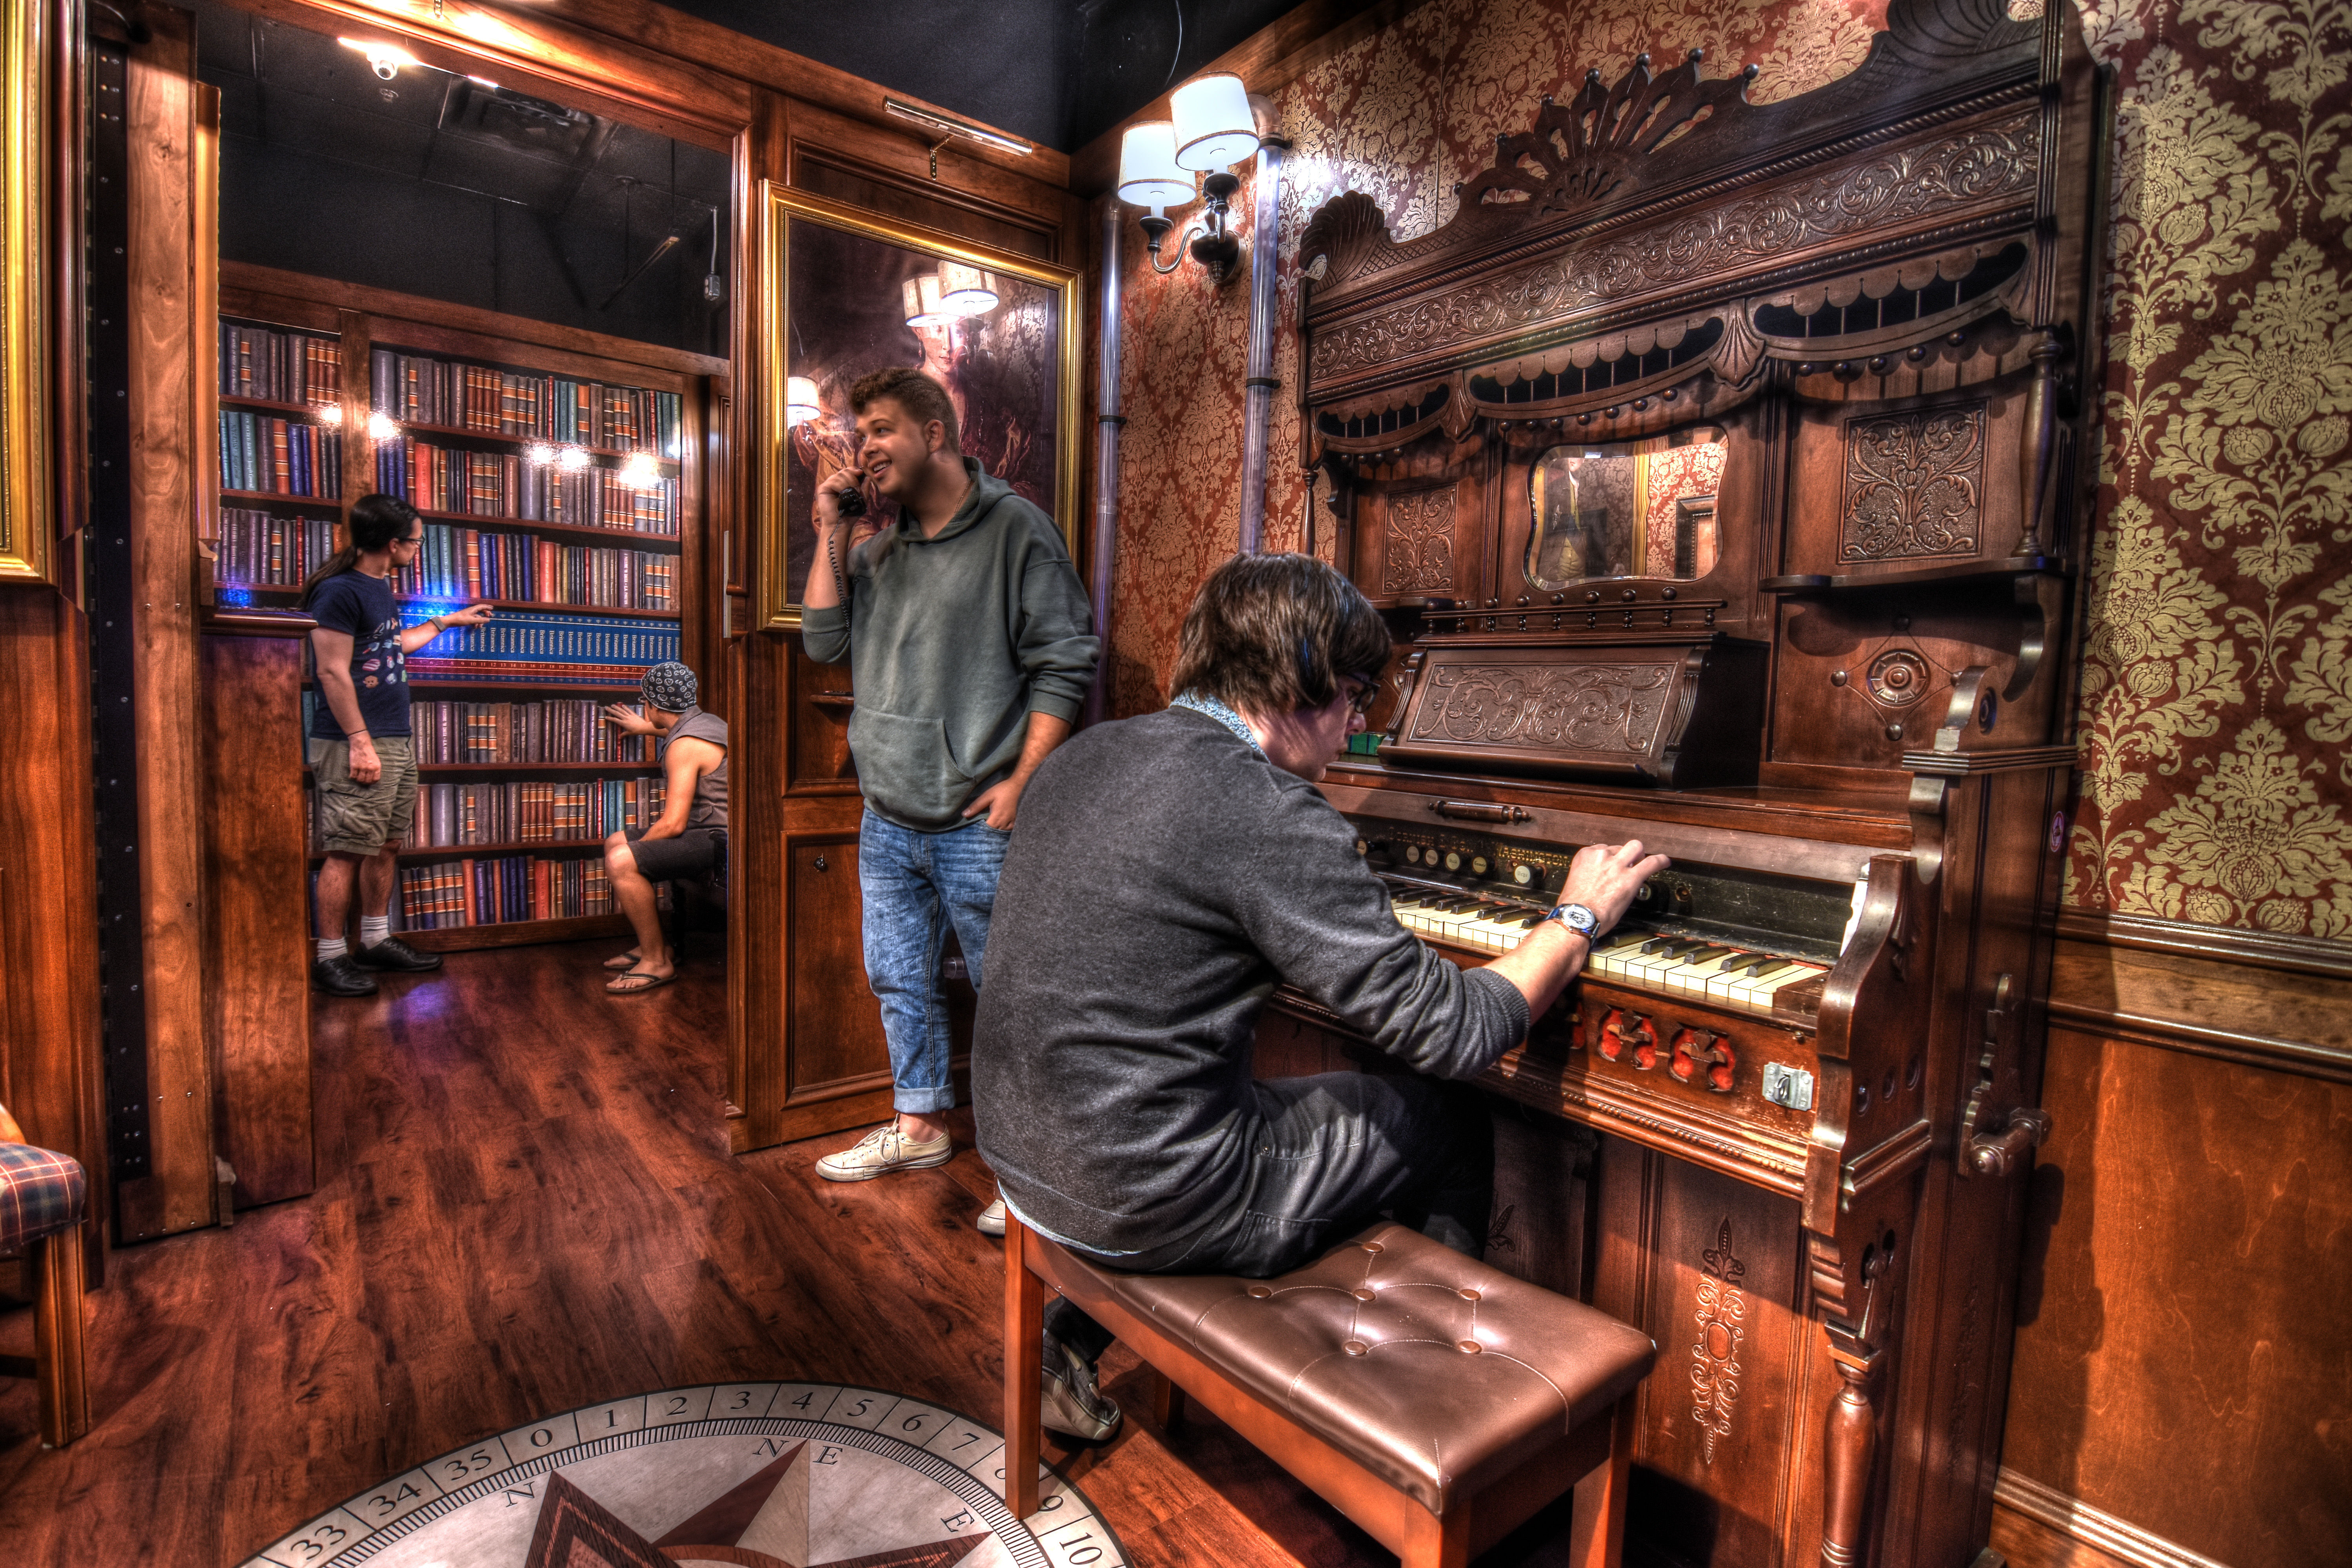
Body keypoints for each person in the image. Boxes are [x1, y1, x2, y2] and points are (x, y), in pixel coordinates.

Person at [970, 552, 1669, 1441]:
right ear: (1310, 677)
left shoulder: (1088, 752)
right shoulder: (1263, 807)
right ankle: (1433, 1424)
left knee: (1247, 1097)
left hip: (1025, 1162)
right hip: (1150, 1198)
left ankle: (1067, 1340)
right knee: (1449, 1119)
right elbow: (1456, 1032)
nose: (1355, 731)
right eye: (1357, 697)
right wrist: (1576, 913)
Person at [801, 367, 1098, 1192]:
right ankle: (920, 1125)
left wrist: (1022, 783)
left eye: (880, 431)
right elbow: (823, 642)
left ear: (934, 434)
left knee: (1011, 996)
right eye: (858, 435)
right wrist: (831, 524)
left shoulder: (1017, 530)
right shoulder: (880, 548)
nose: (863, 449)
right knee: (897, 977)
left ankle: (1030, 1171)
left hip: (977, 818)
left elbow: (1063, 664)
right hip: (886, 813)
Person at [303, 494, 494, 996]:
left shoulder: (378, 589)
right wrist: (360, 742)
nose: (417, 549)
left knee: (385, 844)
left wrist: (445, 622)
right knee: (346, 850)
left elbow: (390, 648)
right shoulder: (339, 592)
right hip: (357, 741)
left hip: (393, 737)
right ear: (393, 544)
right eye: (415, 541)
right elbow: (330, 670)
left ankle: (374, 940)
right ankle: (329, 956)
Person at [598, 661, 728, 995]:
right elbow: (675, 730)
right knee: (616, 841)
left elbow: (672, 824)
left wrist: (636, 855)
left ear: (652, 705)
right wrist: (647, 728)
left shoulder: (684, 747)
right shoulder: (708, 722)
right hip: (707, 831)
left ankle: (657, 961)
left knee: (620, 861)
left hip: (718, 839)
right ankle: (655, 944)